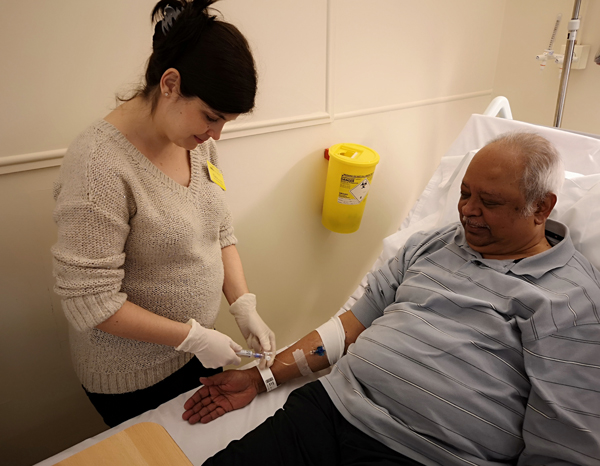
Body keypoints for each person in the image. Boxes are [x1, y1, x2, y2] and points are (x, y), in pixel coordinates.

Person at [183, 132, 600, 466]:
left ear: (541, 208)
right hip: (330, 410)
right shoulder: (435, 244)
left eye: (488, 202)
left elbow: (563, 447)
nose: (467, 211)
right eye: (465, 193)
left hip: (424, 452)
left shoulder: (569, 301)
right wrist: (260, 379)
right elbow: (347, 328)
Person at [51, 0, 275, 428]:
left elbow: (219, 227)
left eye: (224, 122)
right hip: (132, 376)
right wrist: (192, 336)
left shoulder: (196, 141)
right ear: (170, 83)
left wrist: (243, 305)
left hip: (192, 355)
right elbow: (90, 300)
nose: (216, 134)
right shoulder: (99, 164)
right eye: (212, 117)